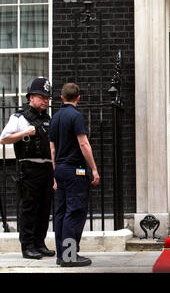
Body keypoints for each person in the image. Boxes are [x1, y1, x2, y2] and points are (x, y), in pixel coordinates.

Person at [0, 77, 55, 259]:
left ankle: (39, 243)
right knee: (29, 208)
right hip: (29, 168)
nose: (45, 101)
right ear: (31, 97)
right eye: (42, 97)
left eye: (47, 97)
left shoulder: (48, 119)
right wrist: (25, 132)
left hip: (46, 169)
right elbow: (4, 138)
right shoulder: (19, 117)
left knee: (44, 208)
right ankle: (28, 246)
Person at [49, 82, 100, 267]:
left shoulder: (54, 118)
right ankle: (70, 256)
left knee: (61, 212)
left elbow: (52, 149)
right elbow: (83, 144)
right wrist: (93, 168)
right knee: (75, 211)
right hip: (75, 170)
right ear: (78, 98)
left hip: (60, 169)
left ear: (62, 97)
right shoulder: (76, 116)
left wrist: (55, 172)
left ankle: (61, 254)